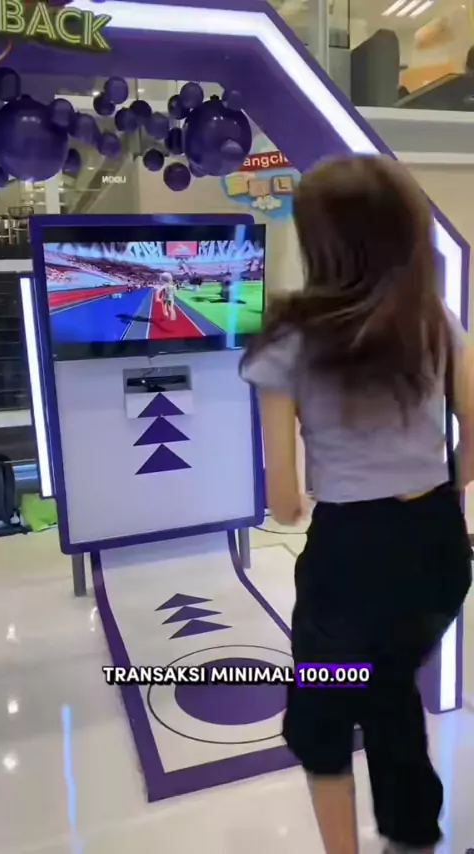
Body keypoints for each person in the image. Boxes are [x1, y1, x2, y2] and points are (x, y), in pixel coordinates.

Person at [240, 155, 473, 854]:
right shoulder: (436, 322)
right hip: (436, 547)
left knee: (323, 719)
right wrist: (448, 482)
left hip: (349, 563)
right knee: (390, 687)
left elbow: (284, 501)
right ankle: (413, 837)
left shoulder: (289, 340)